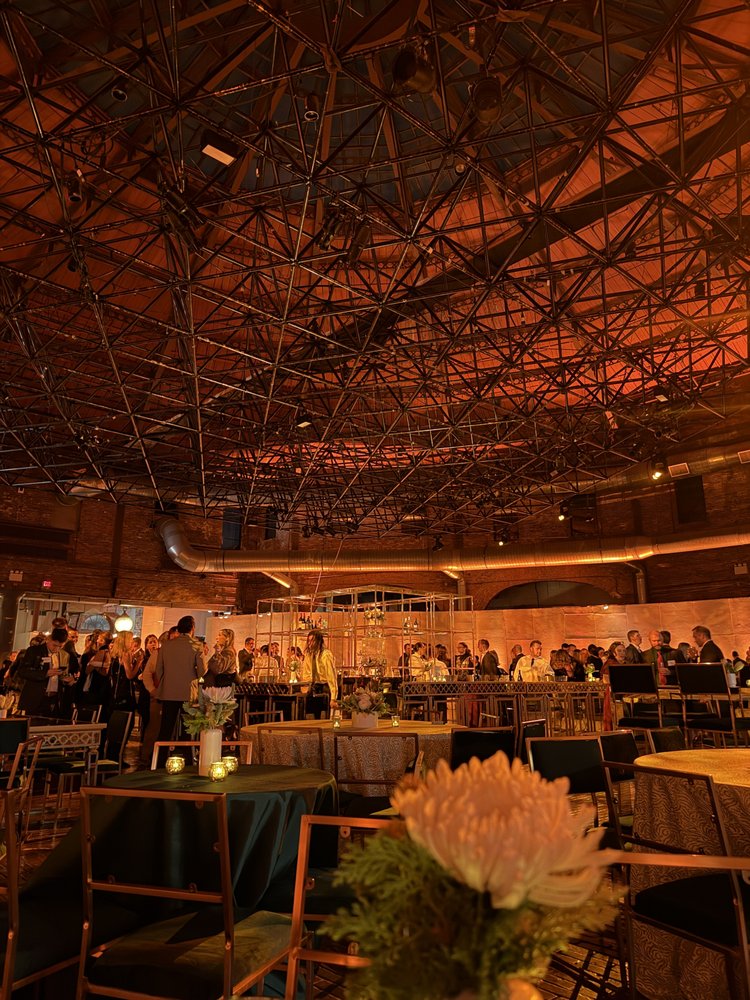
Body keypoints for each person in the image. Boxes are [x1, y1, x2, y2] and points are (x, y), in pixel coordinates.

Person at [154, 616, 206, 748]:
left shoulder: (167, 645)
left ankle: (159, 760)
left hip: (168, 691)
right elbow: (202, 671)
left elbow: (158, 669)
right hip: (189, 692)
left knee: (165, 728)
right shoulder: (196, 645)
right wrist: (199, 683)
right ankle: (186, 760)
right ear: (192, 628)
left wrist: (163, 683)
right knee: (187, 730)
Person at [16, 626, 73, 716]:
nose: (56, 649)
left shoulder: (64, 655)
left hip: (54, 699)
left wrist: (66, 680)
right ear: (48, 639)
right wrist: (45, 673)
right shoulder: (34, 651)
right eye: (54, 645)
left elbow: (62, 674)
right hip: (37, 698)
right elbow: (22, 671)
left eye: (60, 646)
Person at [75, 631, 114, 719]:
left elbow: (87, 671)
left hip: (95, 688)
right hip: (101, 688)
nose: (97, 640)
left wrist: (92, 664)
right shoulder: (108, 653)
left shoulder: (101, 652)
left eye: (99, 639)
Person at [300, 629, 337, 718]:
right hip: (313, 686)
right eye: (308, 641)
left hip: (324, 686)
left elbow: (331, 676)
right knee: (310, 713)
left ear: (319, 641)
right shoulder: (309, 655)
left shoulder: (325, 655)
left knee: (323, 715)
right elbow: (306, 672)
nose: (310, 643)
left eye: (312, 641)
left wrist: (333, 697)